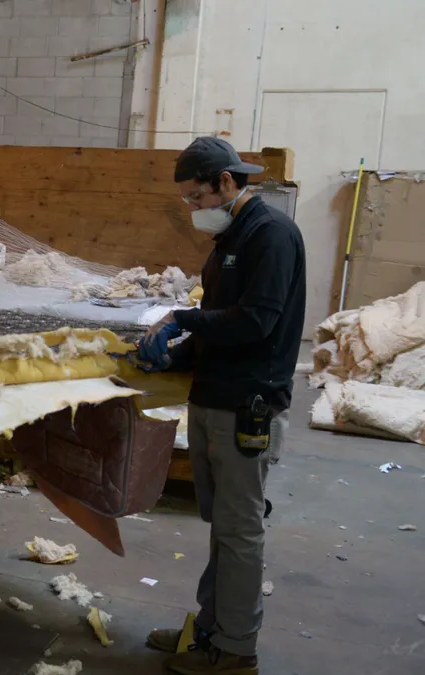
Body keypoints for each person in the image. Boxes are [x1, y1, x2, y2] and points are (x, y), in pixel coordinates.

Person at [137, 137, 306, 675]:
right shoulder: (233, 234)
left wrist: (182, 319)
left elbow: (257, 320)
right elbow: (220, 322)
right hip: (214, 394)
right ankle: (208, 630)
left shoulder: (272, 235)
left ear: (228, 182)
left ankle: (234, 650)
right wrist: (175, 358)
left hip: (245, 403)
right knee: (223, 527)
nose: (193, 208)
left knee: (238, 529)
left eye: (195, 197)